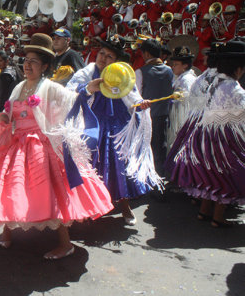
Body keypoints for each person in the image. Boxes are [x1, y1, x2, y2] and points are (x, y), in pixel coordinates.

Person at [0, 33, 113, 259]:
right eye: (26, 60)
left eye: (33, 61)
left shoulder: (50, 87)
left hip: (40, 147)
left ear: (45, 65)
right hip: (16, 145)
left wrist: (89, 89)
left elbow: (72, 98)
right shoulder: (19, 87)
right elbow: (9, 113)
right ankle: (8, 231)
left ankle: (65, 244)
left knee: (49, 193)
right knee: (10, 189)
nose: (27, 65)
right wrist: (5, 119)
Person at [67, 37, 161, 225]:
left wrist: (141, 105)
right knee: (90, 164)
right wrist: (88, 88)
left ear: (116, 61)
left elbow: (133, 98)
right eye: (102, 53)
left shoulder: (123, 75)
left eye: (109, 56)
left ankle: (124, 207)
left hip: (117, 127)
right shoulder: (88, 72)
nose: (103, 58)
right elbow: (71, 90)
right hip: (91, 125)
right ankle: (87, 207)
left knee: (119, 164)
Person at [167, 41, 245, 227]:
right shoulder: (233, 88)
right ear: (238, 67)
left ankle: (204, 212)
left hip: (203, 134)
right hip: (221, 138)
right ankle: (217, 217)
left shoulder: (210, 79)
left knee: (213, 174)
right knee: (226, 175)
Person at [135, 39, 173, 177]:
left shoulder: (140, 72)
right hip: (163, 116)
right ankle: (160, 178)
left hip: (146, 117)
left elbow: (136, 96)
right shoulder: (169, 71)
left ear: (145, 54)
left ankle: (146, 179)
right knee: (160, 148)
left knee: (145, 149)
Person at [166, 47, 197, 150]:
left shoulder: (187, 80)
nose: (173, 67)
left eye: (176, 64)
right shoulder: (180, 78)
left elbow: (186, 104)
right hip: (175, 116)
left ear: (185, 65)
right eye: (173, 64)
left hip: (182, 119)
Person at [0, 51, 21, 118]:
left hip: (6, 107)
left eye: (0, 61)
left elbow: (3, 95)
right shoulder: (13, 70)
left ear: (6, 61)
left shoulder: (5, 75)